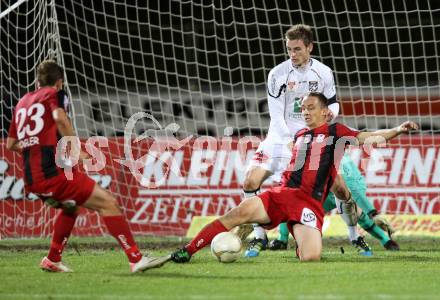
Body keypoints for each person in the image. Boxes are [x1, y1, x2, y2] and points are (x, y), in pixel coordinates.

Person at [141, 93, 418, 268]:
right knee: (238, 212)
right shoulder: (298, 138)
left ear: (325, 112)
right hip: (283, 194)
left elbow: (367, 137)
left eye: (310, 108)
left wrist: (398, 129)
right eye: (303, 109)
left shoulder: (336, 131)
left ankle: (296, 234)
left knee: (310, 257)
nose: (305, 112)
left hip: (309, 205)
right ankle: (187, 251)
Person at [6, 59, 165, 273]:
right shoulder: (54, 95)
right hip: (51, 175)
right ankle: (136, 258)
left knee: (71, 207)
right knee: (108, 203)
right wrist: (74, 147)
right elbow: (60, 118)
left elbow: (11, 144)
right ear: (59, 82)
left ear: (37, 81)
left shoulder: (23, 101)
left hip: (32, 180)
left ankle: (52, 259)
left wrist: (35, 146)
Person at [239, 24, 341, 257]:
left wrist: (329, 115)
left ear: (310, 47)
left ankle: (344, 236)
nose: (292, 54)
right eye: (289, 49)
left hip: (310, 142)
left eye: (297, 49)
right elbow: (276, 113)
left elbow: (333, 103)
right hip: (280, 138)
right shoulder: (277, 74)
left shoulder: (323, 72)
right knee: (250, 180)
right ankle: (259, 237)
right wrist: (289, 139)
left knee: (327, 189)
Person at [271, 153, 400, 255]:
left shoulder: (344, 169)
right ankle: (282, 239)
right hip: (323, 192)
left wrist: (373, 213)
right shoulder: (312, 152)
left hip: (339, 190)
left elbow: (356, 192)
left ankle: (381, 240)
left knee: (356, 213)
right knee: (290, 201)